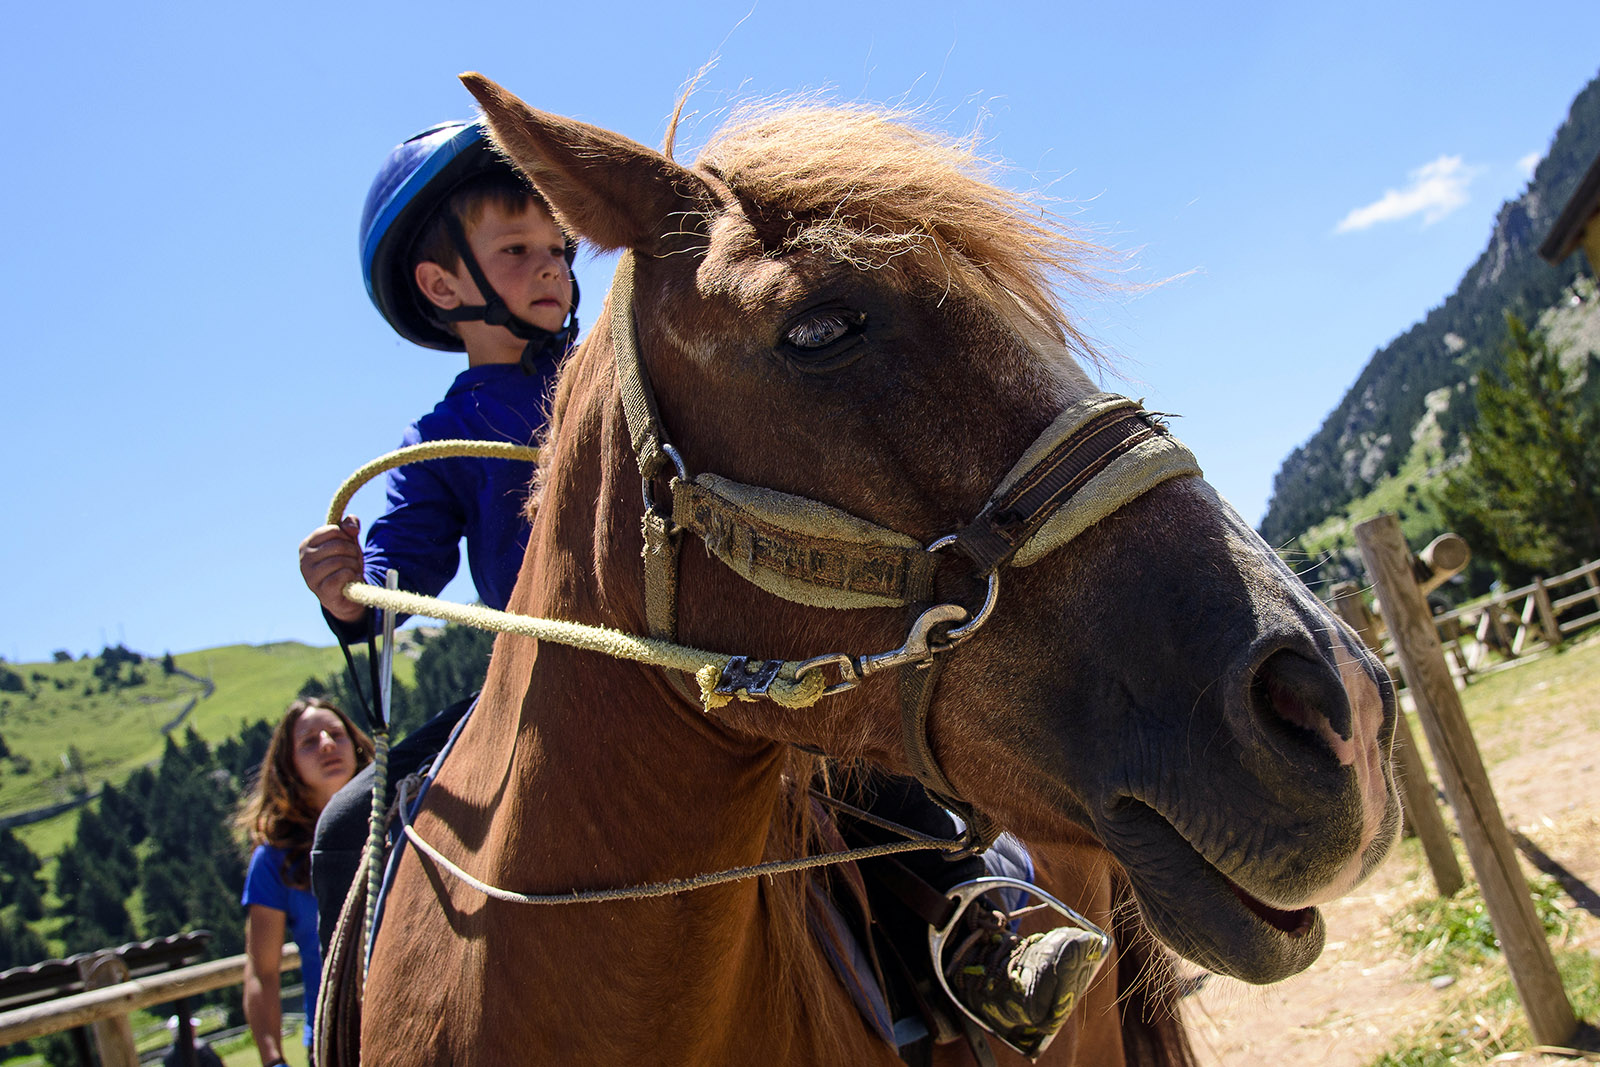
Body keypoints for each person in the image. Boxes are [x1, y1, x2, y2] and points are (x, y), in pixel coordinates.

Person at [300, 119, 1097, 1059]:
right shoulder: (440, 439)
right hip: (538, 688)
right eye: (516, 251)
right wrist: (352, 590)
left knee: (857, 771)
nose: (552, 268)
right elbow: (406, 570)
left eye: (558, 248)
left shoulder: (627, 375)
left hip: (688, 647)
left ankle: (977, 932)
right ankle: (347, 1025)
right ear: (443, 286)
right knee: (350, 823)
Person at [237, 698, 374, 1066]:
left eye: (337, 734)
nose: (327, 744)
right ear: (289, 765)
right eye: (309, 741)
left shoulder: (401, 822)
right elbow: (262, 972)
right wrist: (273, 1060)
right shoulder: (274, 861)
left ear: (357, 745)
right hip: (337, 1043)